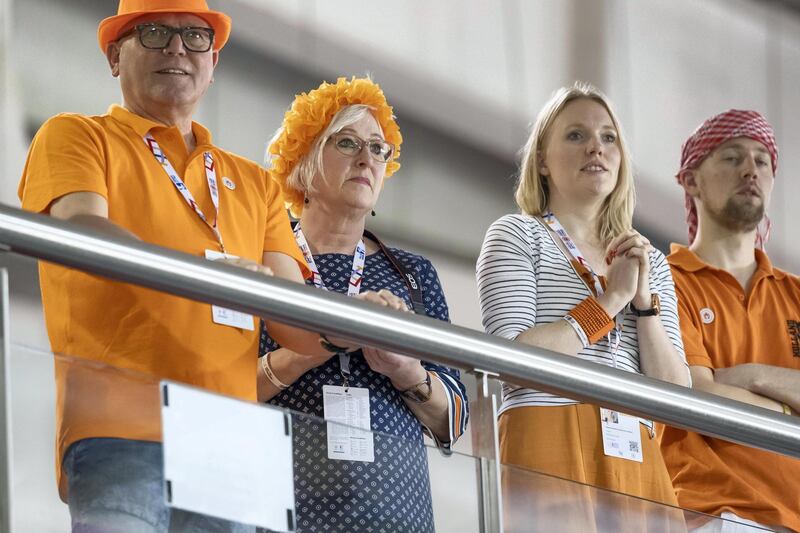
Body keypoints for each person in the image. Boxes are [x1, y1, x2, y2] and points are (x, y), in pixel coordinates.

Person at [17, 1, 337, 531]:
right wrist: (212, 276)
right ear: (115, 57)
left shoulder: (256, 184)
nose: (176, 48)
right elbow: (80, 230)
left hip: (233, 444)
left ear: (213, 65)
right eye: (155, 33)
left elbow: (299, 329)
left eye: (195, 37)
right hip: (121, 424)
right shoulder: (77, 135)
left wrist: (353, 324)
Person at [476, 82, 690, 531]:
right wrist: (610, 301)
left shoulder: (648, 260)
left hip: (636, 449)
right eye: (576, 135)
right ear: (542, 160)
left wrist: (643, 302)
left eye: (609, 137)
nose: (596, 146)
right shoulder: (516, 234)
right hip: (547, 432)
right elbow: (511, 361)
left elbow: (676, 393)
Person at [259, 76, 469, 532]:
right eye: (348, 142)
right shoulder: (269, 258)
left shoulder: (412, 274)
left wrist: (406, 369)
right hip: (286, 507)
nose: (366, 159)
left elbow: (454, 420)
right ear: (303, 160)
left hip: (396, 513)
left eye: (379, 149)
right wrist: (319, 344)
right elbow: (226, 384)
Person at [660, 109, 800, 532]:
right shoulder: (662, 279)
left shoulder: (795, 293)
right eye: (732, 157)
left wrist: (750, 375)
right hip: (712, 515)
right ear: (691, 180)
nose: (750, 170)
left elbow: (711, 384)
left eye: (762, 160)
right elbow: (696, 393)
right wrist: (787, 408)